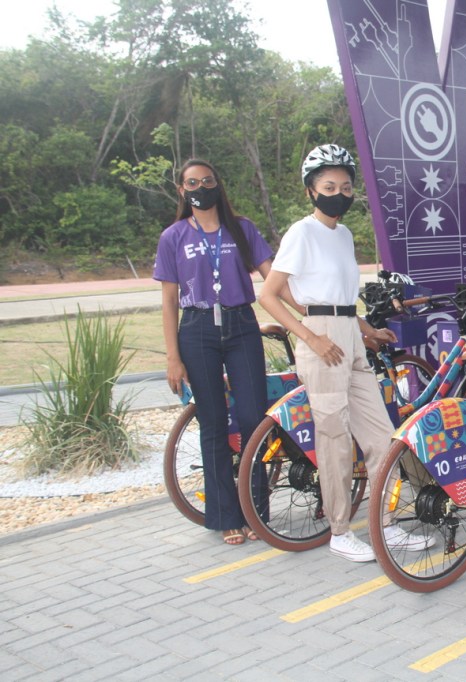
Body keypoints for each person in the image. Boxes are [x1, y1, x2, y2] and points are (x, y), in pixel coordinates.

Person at [258, 144, 433, 562]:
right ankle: (339, 530)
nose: (338, 193)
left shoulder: (345, 235)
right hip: (321, 340)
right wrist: (311, 335)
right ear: (311, 192)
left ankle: (383, 525)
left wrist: (366, 329)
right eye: (328, 185)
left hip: (348, 333)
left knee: (379, 437)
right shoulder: (302, 232)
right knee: (334, 439)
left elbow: (338, 298)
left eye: (346, 186)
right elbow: (269, 294)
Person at [155, 159, 284, 545]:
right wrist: (173, 357)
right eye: (192, 182)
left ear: (217, 184)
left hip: (241, 326)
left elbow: (271, 276)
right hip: (196, 332)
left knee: (252, 418)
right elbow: (168, 301)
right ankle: (226, 515)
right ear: (182, 190)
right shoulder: (173, 236)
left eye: (207, 180)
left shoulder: (241, 229)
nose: (200, 187)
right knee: (212, 424)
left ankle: (255, 510)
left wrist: (308, 313)